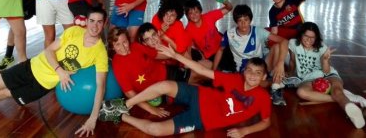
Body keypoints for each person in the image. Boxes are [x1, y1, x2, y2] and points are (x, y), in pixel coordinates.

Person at [0, 7, 108, 136]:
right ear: (86, 21)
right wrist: (60, 70)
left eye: (99, 22)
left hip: (40, 86)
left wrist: (93, 119)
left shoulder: (100, 53)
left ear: (104, 24)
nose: (94, 26)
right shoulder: (74, 31)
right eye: (92, 21)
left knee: (2, 94)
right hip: (30, 67)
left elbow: (100, 86)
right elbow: (49, 50)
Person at [99, 53, 272, 137]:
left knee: (156, 130)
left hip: (201, 121)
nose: (251, 75)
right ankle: (126, 104)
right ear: (244, 71)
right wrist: (175, 55)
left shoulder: (263, 97)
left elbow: (266, 121)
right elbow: (202, 70)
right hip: (200, 95)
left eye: (257, 73)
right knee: (165, 85)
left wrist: (245, 131)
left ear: (264, 76)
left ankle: (120, 116)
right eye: (249, 70)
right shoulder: (234, 79)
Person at [109, 24, 198, 117]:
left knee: (198, 74)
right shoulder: (117, 63)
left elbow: (157, 55)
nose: (123, 47)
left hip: (168, 72)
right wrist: (151, 109)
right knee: (193, 91)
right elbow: (129, 93)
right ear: (112, 47)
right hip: (157, 91)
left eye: (125, 42)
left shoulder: (135, 46)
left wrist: (178, 55)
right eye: (117, 44)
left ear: (128, 40)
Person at [288, 22, 366, 129]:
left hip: (328, 74)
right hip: (308, 78)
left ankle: (345, 102)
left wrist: (325, 60)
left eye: (313, 37)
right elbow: (292, 61)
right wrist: (289, 74)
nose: (309, 40)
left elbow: (326, 70)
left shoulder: (321, 47)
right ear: (301, 35)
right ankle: (347, 99)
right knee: (301, 92)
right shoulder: (293, 44)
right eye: (306, 36)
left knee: (337, 91)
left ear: (316, 38)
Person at [221, 4, 289, 106]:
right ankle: (276, 84)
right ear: (236, 21)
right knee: (253, 81)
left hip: (262, 65)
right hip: (244, 69)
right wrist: (214, 69)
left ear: (250, 20)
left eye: (246, 20)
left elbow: (284, 41)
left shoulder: (257, 31)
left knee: (277, 47)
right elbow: (220, 50)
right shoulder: (230, 33)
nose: (243, 24)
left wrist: (280, 64)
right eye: (240, 20)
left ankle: (274, 81)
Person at [184, 0, 235, 71]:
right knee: (218, 74)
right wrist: (190, 65)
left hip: (223, 48)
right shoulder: (188, 30)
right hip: (210, 56)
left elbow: (229, 8)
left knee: (231, 70)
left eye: (196, 12)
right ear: (187, 16)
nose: (194, 15)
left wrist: (224, 1)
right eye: (191, 13)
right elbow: (188, 50)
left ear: (200, 12)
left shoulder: (209, 17)